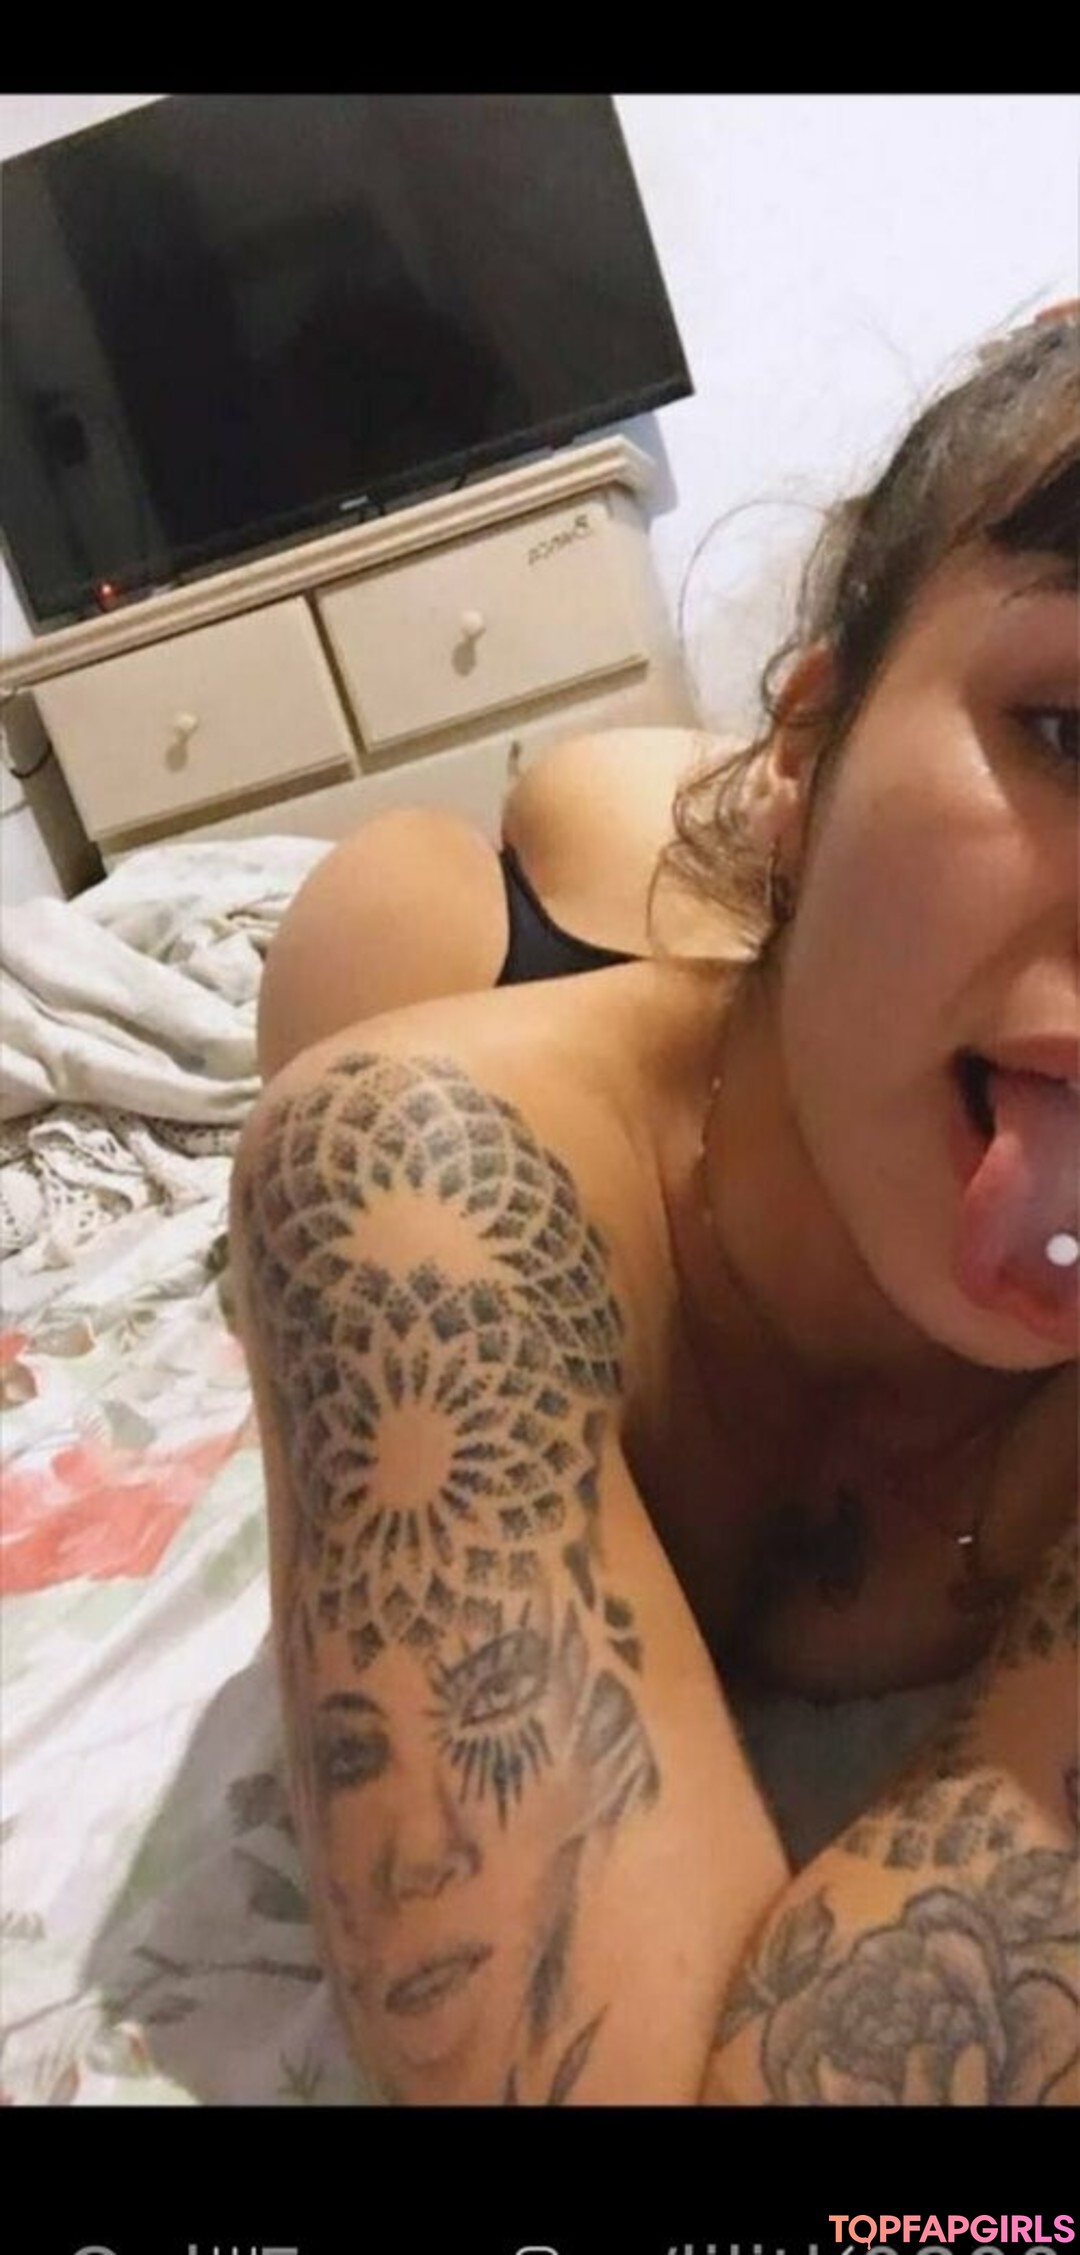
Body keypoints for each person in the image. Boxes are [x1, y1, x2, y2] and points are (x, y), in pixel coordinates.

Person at [230, 309, 1079, 2106]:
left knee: (676, 842)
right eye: (1070, 731)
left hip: (807, 945)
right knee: (394, 905)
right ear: (816, 741)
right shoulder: (432, 1175)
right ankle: (657, 809)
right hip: (551, 966)